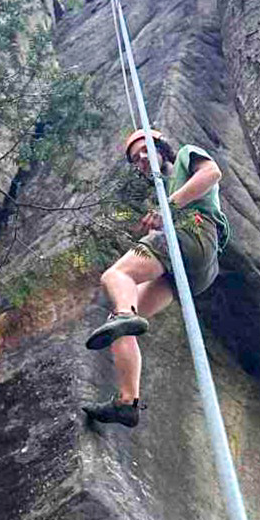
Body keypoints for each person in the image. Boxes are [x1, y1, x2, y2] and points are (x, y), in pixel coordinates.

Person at [83, 128, 230, 428]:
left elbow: (212, 173)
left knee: (116, 275)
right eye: (136, 160)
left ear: (161, 146)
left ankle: (125, 314)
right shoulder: (162, 188)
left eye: (144, 151)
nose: (141, 161)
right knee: (120, 325)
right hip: (196, 271)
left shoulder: (186, 155)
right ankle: (127, 402)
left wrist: (168, 209)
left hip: (194, 232)